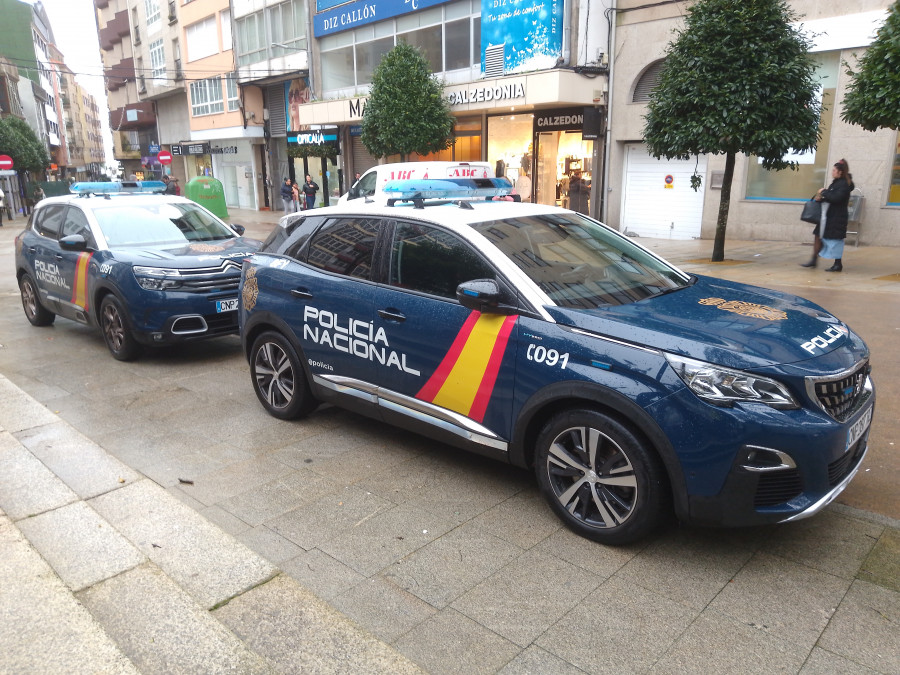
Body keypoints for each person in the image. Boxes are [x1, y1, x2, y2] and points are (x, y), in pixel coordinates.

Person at [801, 159, 854, 272]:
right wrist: (820, 198)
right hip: (828, 216)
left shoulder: (844, 184)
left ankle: (838, 264)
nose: (832, 172)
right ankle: (814, 259)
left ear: (840, 172)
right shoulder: (836, 183)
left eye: (834, 170)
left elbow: (836, 198)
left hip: (836, 217)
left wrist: (824, 192)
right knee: (818, 235)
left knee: (835, 241)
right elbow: (831, 197)